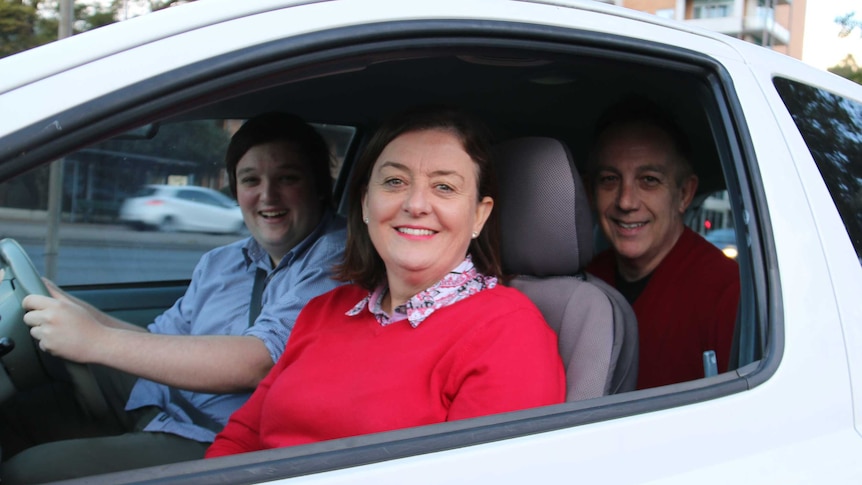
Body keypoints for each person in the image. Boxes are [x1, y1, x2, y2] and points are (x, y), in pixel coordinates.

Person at [1, 112, 347, 482]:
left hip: (219, 441)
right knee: (14, 418)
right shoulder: (223, 261)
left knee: (26, 473)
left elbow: (259, 361)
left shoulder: (338, 257)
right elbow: (158, 342)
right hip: (164, 403)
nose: (267, 195)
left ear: (319, 186)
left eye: (288, 178)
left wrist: (94, 340)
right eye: (250, 180)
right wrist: (67, 305)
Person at [205, 106, 565, 457]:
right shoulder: (325, 309)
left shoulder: (509, 332)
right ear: (365, 204)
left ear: (479, 215)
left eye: (444, 187)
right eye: (395, 181)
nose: (415, 204)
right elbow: (242, 437)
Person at [584, 98, 740, 390]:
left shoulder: (727, 294)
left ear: (684, 194)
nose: (626, 201)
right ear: (590, 193)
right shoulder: (581, 284)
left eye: (649, 180)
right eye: (609, 179)